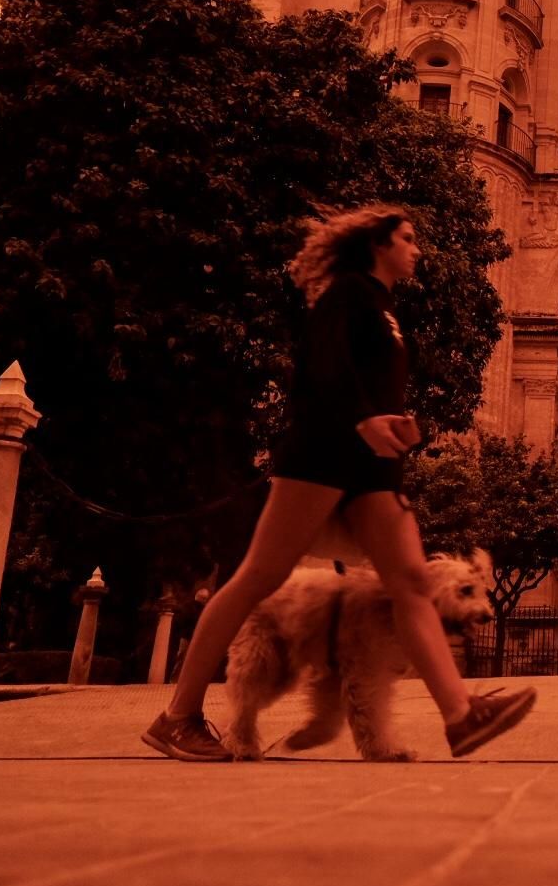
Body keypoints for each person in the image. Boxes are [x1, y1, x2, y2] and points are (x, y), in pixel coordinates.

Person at [141, 204, 535, 761]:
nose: (417, 248)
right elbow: (322, 368)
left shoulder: (385, 308)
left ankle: (461, 715)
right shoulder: (348, 294)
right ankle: (177, 716)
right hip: (323, 454)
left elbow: (370, 382)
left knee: (411, 586)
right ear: (378, 244)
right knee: (259, 576)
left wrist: (397, 424)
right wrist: (363, 417)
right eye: (407, 238)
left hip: (373, 466)